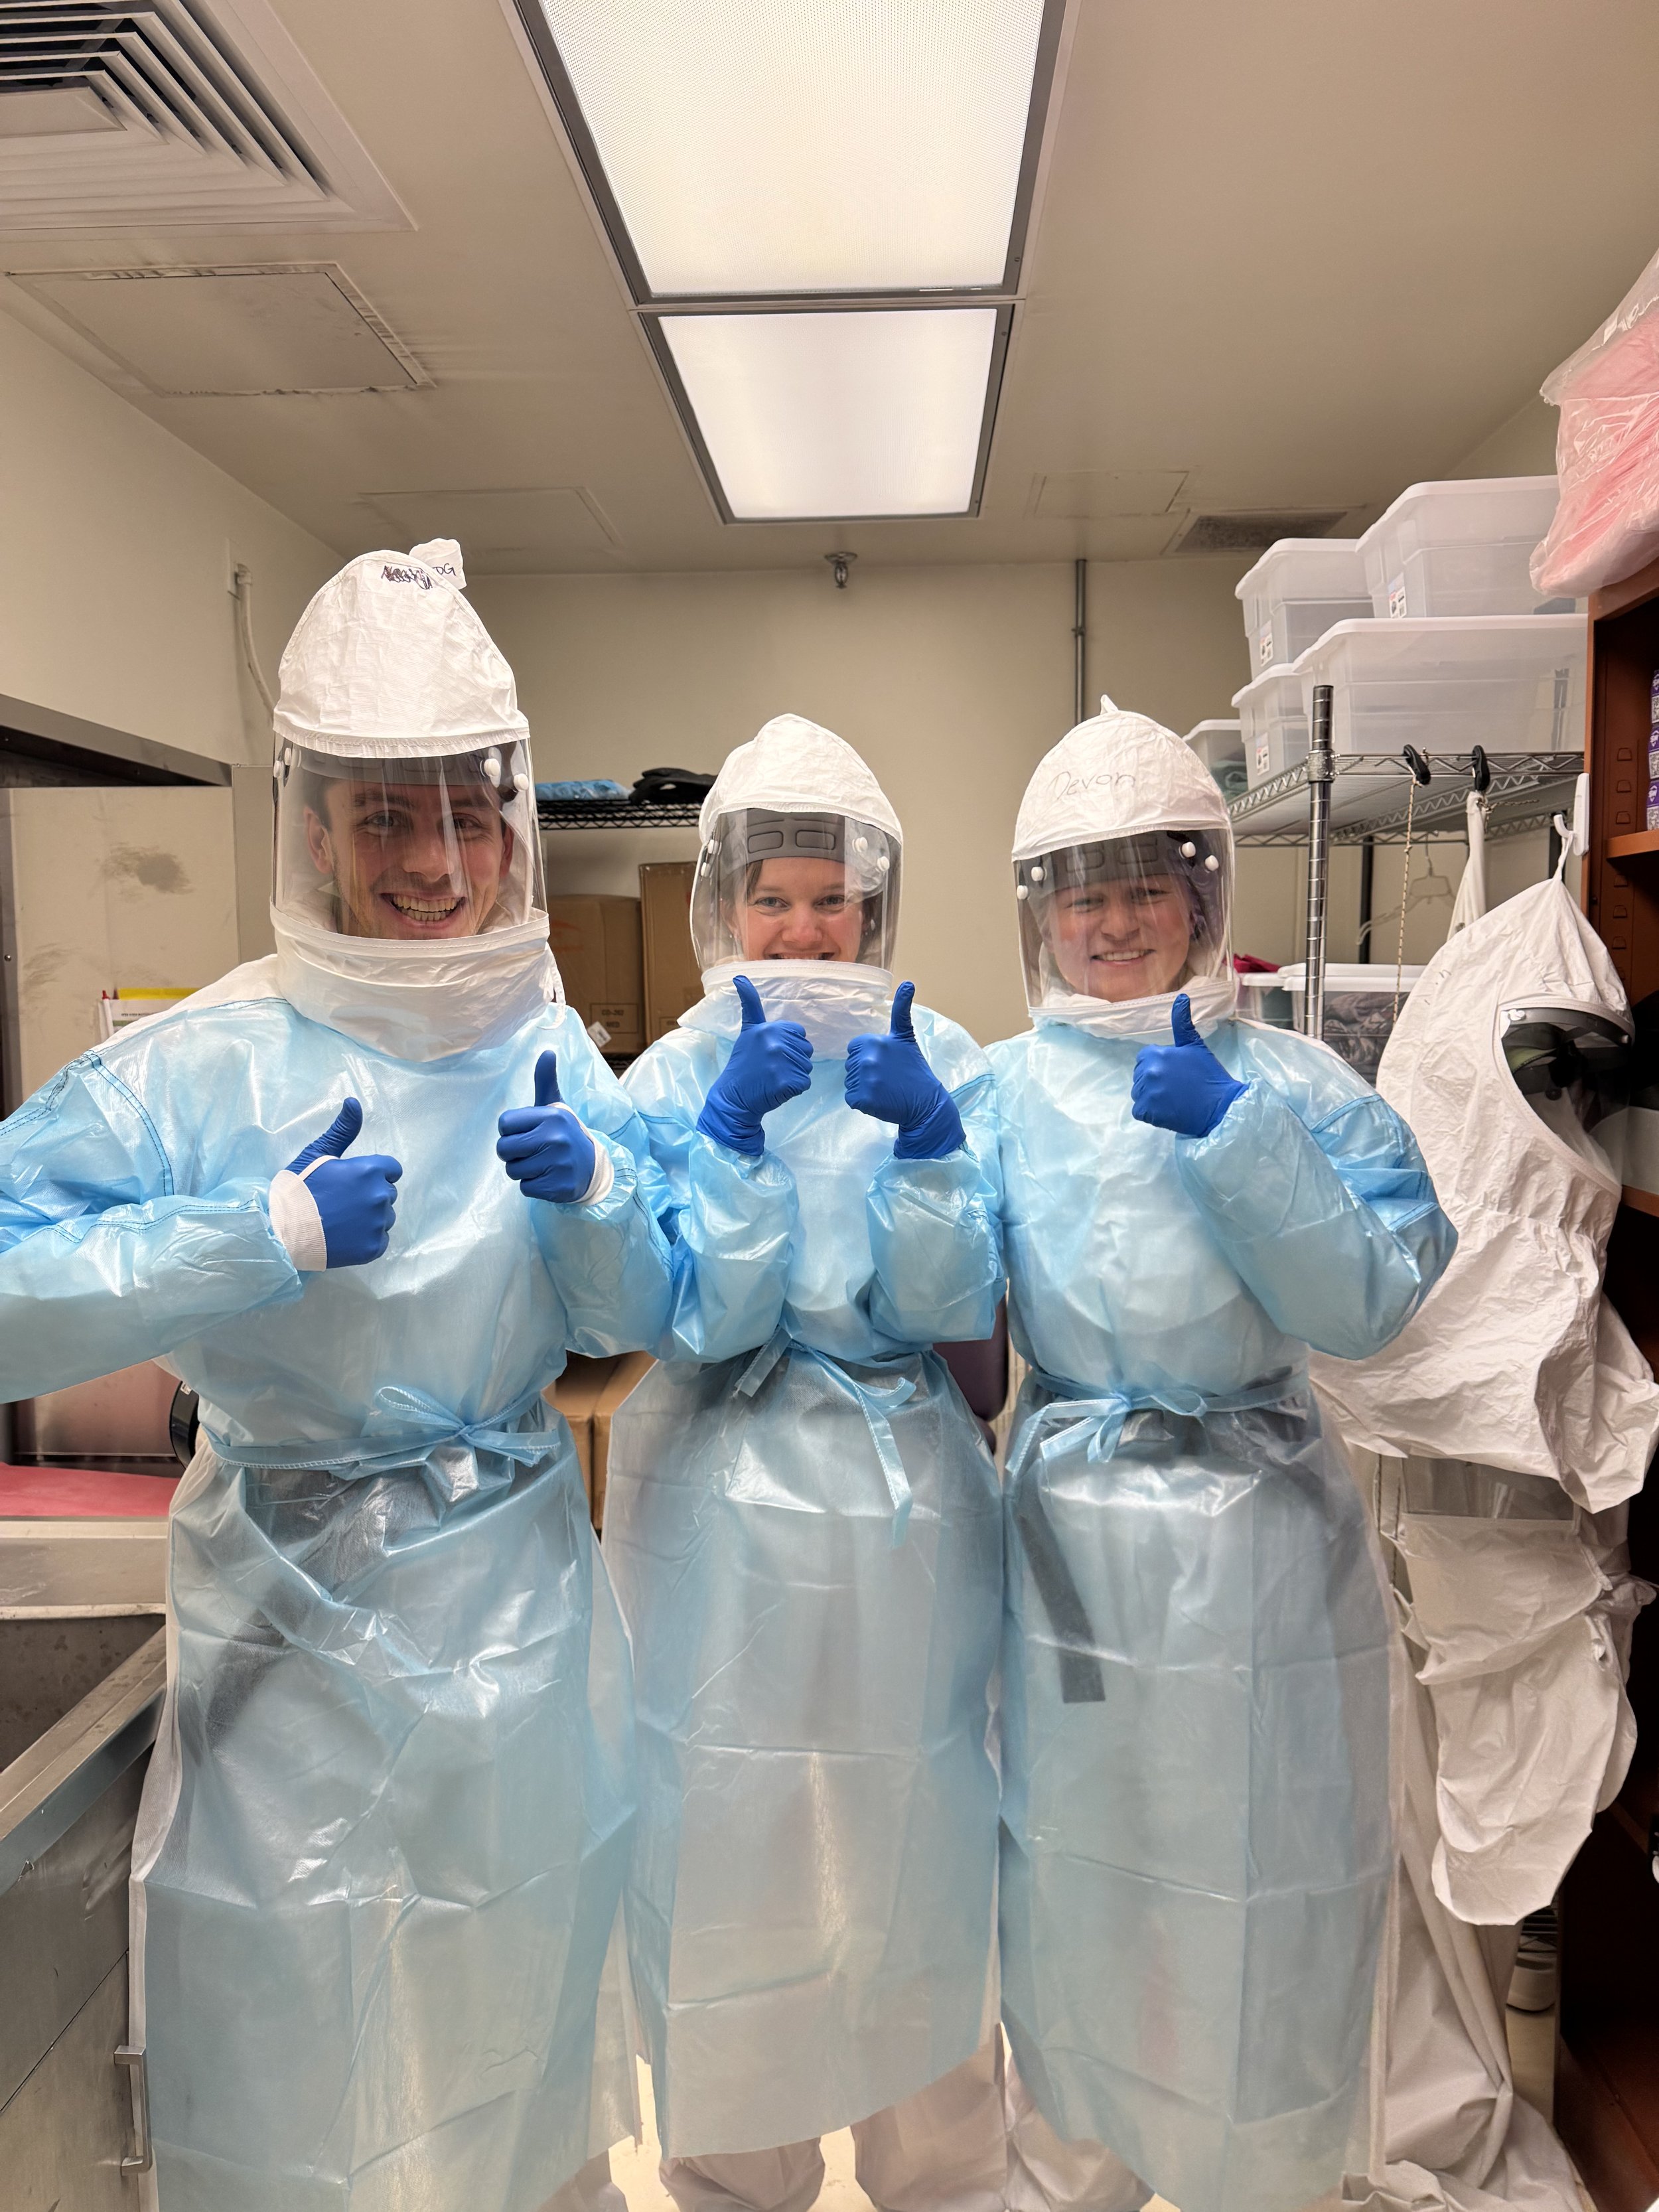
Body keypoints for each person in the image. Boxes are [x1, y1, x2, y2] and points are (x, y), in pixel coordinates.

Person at [0, 540, 672, 2212]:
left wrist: (594, 1198)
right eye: (388, 816)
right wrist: (251, 1233)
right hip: (291, 1639)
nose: (435, 862)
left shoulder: (544, 1031)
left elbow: (649, 1304)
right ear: (311, 824)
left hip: (515, 1627)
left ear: (513, 820)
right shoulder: (205, 1062)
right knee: (301, 2038)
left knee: (514, 2019)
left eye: (465, 813)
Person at [990, 696, 1457, 2212]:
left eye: (1145, 885)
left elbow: (1370, 1301)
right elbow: (936, 1300)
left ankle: (1255, 2172)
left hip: (1263, 1538)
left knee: (1258, 1875)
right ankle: (1076, 2173)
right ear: (1039, 912)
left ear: (1202, 898)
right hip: (1067, 1542)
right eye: (1082, 889)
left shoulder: (1304, 1085)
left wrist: (1235, 1132)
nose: (1113, 920)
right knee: (1077, 1862)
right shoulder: (1002, 1093)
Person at [602, 713, 1007, 2212]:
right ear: (723, 903)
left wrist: (929, 1151)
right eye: (771, 894)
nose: (801, 924)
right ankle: (732, 2168)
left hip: (905, 1498)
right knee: (728, 1845)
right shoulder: (670, 1072)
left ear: (876, 906)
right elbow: (663, 1311)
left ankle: (944, 2171)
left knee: (920, 1830)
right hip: (715, 1506)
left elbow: (967, 1320)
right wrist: (724, 1141)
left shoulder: (944, 1054)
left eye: (830, 896)